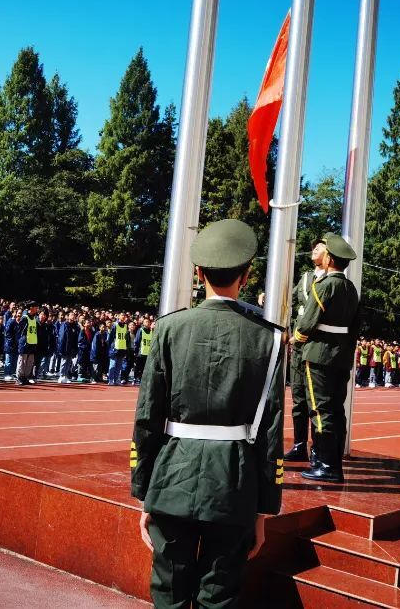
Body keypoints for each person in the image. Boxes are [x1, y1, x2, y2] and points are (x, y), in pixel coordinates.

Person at [131, 219, 284, 608]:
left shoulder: (169, 329)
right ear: (246, 276)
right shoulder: (270, 338)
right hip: (234, 483)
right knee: (219, 594)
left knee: (168, 592)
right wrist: (264, 508)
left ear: (198, 274)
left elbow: (147, 418)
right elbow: (271, 430)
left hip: (171, 476)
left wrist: (144, 493)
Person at [292, 232, 359, 484]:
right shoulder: (350, 288)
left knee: (320, 410)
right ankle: (332, 461)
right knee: (335, 410)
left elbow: (307, 322)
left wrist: (295, 338)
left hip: (318, 354)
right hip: (340, 355)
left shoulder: (324, 285)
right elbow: (355, 326)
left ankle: (326, 464)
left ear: (329, 259)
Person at [284, 237, 328, 463]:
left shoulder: (330, 281)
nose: (314, 249)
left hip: (315, 347)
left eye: (319, 247)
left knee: (315, 402)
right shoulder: (305, 278)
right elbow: (289, 299)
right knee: (298, 398)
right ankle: (299, 445)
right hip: (298, 347)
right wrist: (266, 295)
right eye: (313, 246)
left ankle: (318, 451)